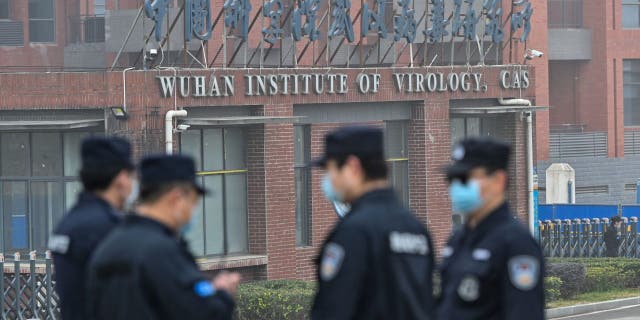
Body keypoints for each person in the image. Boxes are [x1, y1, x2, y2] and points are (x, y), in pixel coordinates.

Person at [87, 154, 240, 320]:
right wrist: (223, 295)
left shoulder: (109, 244)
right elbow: (202, 313)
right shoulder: (163, 251)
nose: (192, 211)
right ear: (176, 198)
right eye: (193, 202)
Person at [310, 126, 436, 320]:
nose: (328, 180)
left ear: (353, 167)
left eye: (330, 170)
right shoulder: (416, 228)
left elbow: (333, 309)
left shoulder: (354, 232)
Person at [437, 137, 544, 320]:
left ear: (498, 180)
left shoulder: (516, 243)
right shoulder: (458, 239)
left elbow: (524, 312)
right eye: (453, 179)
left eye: (466, 179)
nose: (456, 187)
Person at [49, 136, 135, 320]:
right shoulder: (109, 227)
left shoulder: (68, 223)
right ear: (121, 178)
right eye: (131, 177)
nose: (132, 184)